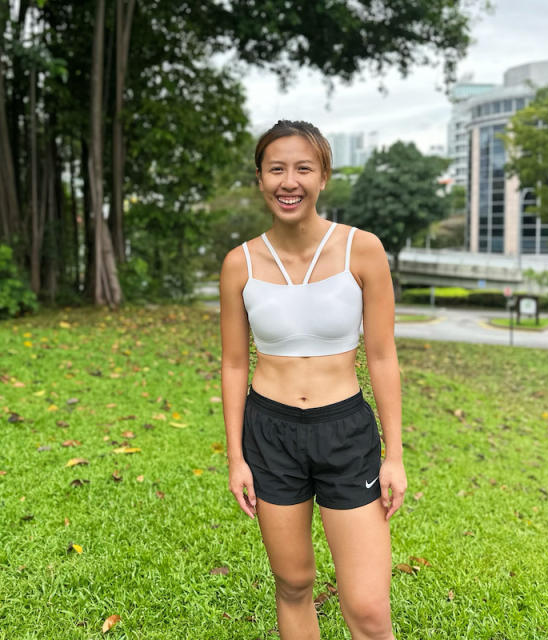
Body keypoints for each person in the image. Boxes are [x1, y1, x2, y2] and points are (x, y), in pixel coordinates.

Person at [219, 120, 406, 640]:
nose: (289, 181)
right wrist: (236, 457)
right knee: (294, 584)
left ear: (323, 175)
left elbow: (383, 355)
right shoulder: (240, 264)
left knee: (368, 609)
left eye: (303, 168)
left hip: (344, 430)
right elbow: (234, 364)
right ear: (260, 178)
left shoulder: (362, 250)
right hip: (270, 432)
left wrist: (394, 455)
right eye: (276, 168)